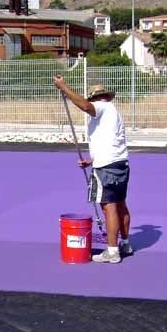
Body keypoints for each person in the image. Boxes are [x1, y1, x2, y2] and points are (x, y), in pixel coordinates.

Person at [53, 74, 132, 263]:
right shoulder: (112, 112)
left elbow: (85, 106)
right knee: (120, 204)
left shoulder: (102, 107)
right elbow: (109, 141)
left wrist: (64, 87)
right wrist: (92, 160)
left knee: (109, 207)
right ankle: (125, 243)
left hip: (107, 167)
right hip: (119, 163)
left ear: (96, 98)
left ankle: (112, 251)